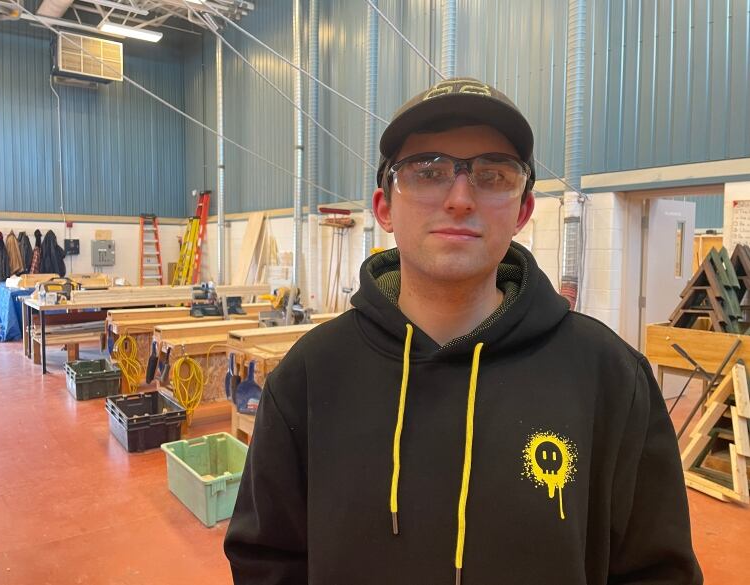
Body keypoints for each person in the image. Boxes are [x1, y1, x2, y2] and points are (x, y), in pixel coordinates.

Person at [224, 77, 702, 585]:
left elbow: (657, 571)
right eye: (428, 172)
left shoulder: (609, 378)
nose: (459, 198)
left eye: (492, 175)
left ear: (521, 211)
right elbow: (266, 560)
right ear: (384, 208)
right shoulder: (310, 376)